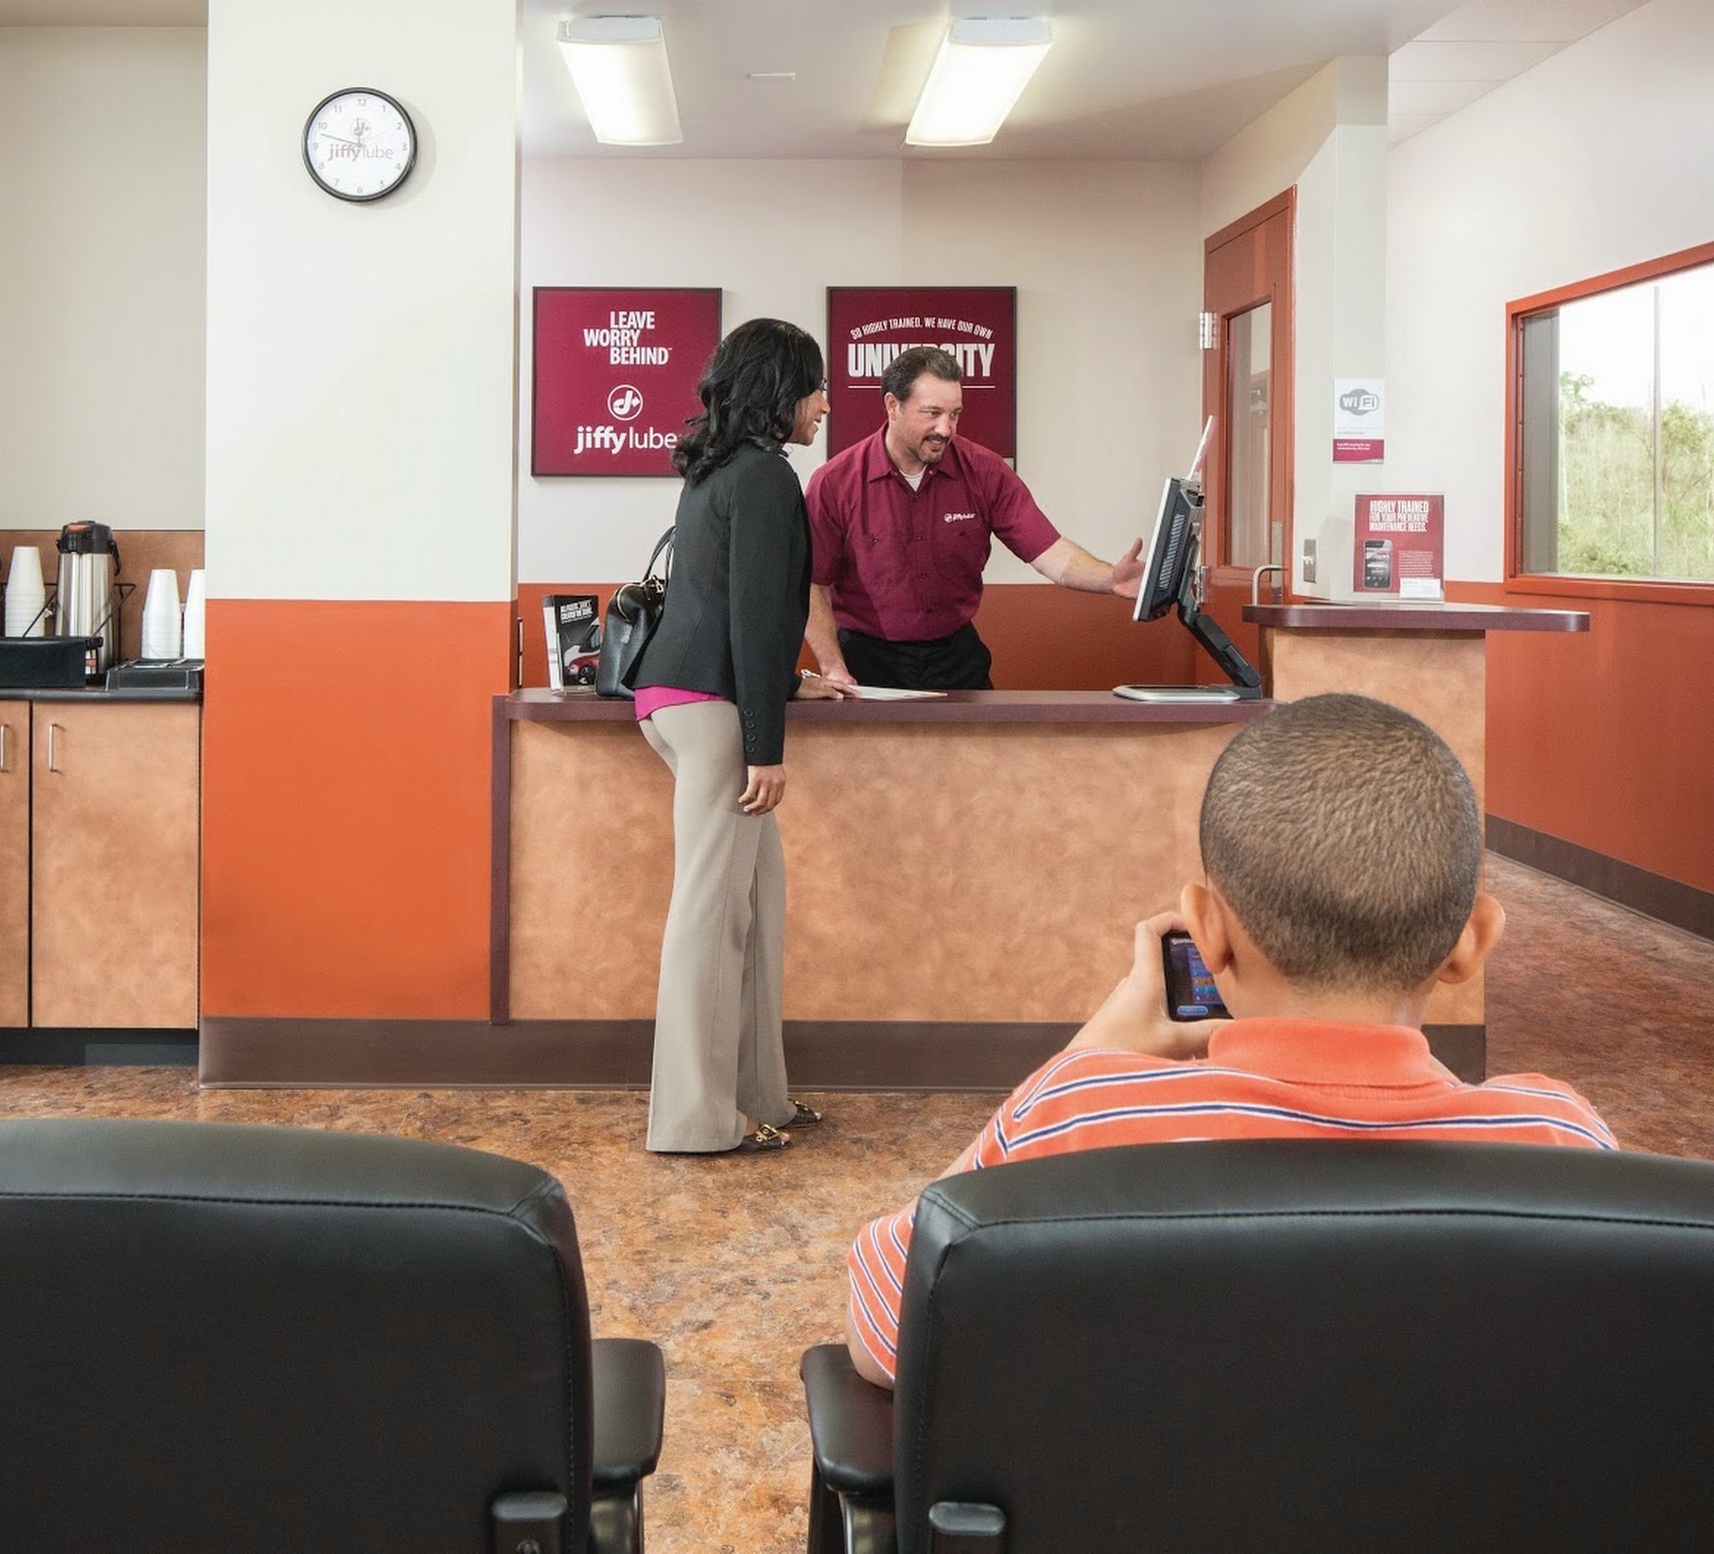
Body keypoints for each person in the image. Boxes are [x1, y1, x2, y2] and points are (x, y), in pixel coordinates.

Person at [844, 692, 1615, 1387]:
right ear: (1472, 942)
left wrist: (1086, 1055)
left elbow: (884, 1324)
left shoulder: (1078, 1117)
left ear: (1206, 931)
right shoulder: (1562, 1145)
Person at [628, 320, 847, 1155]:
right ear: (781, 391)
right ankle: (695, 1121)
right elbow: (754, 617)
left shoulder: (719, 469)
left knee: (756, 904)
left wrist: (787, 683)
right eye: (816, 388)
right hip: (712, 713)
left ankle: (759, 1097)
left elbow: (722, 605)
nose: (825, 405)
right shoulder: (762, 475)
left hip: (681, 699)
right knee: (713, 915)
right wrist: (766, 744)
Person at [804, 346, 1144, 691]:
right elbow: (812, 583)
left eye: (954, 414)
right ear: (893, 405)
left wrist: (1110, 579)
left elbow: (1050, 553)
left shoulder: (985, 471)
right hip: (867, 659)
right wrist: (833, 666)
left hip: (957, 658)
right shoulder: (835, 482)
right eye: (932, 413)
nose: (945, 428)